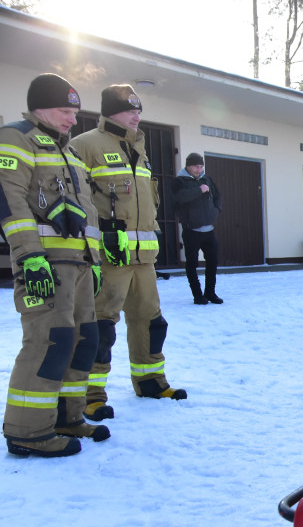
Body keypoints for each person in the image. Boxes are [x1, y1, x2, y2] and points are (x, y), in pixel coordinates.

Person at [1, 73, 108, 457]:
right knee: (49, 341)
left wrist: (95, 260)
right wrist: (29, 255)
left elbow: (88, 211)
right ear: (40, 108)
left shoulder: (70, 152)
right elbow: (8, 199)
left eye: (75, 112)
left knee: (83, 341)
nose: (72, 119)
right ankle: (27, 431)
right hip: (44, 264)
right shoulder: (16, 138)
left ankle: (66, 417)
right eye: (65, 111)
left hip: (79, 265)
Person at [72, 84, 187, 418]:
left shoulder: (140, 149)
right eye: (129, 111)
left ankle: (151, 381)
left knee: (151, 323)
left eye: (138, 110)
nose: (137, 116)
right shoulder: (85, 145)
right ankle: (90, 395)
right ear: (110, 113)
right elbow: (74, 200)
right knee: (100, 327)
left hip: (144, 260)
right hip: (108, 258)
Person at [171, 152, 222, 304]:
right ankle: (198, 296)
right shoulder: (179, 181)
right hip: (191, 231)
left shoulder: (207, 179)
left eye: (201, 166)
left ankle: (210, 293)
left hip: (209, 230)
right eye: (195, 166)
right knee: (192, 264)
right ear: (188, 166)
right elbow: (180, 197)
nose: (199, 170)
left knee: (212, 262)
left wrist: (216, 211)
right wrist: (199, 190)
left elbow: (217, 196)